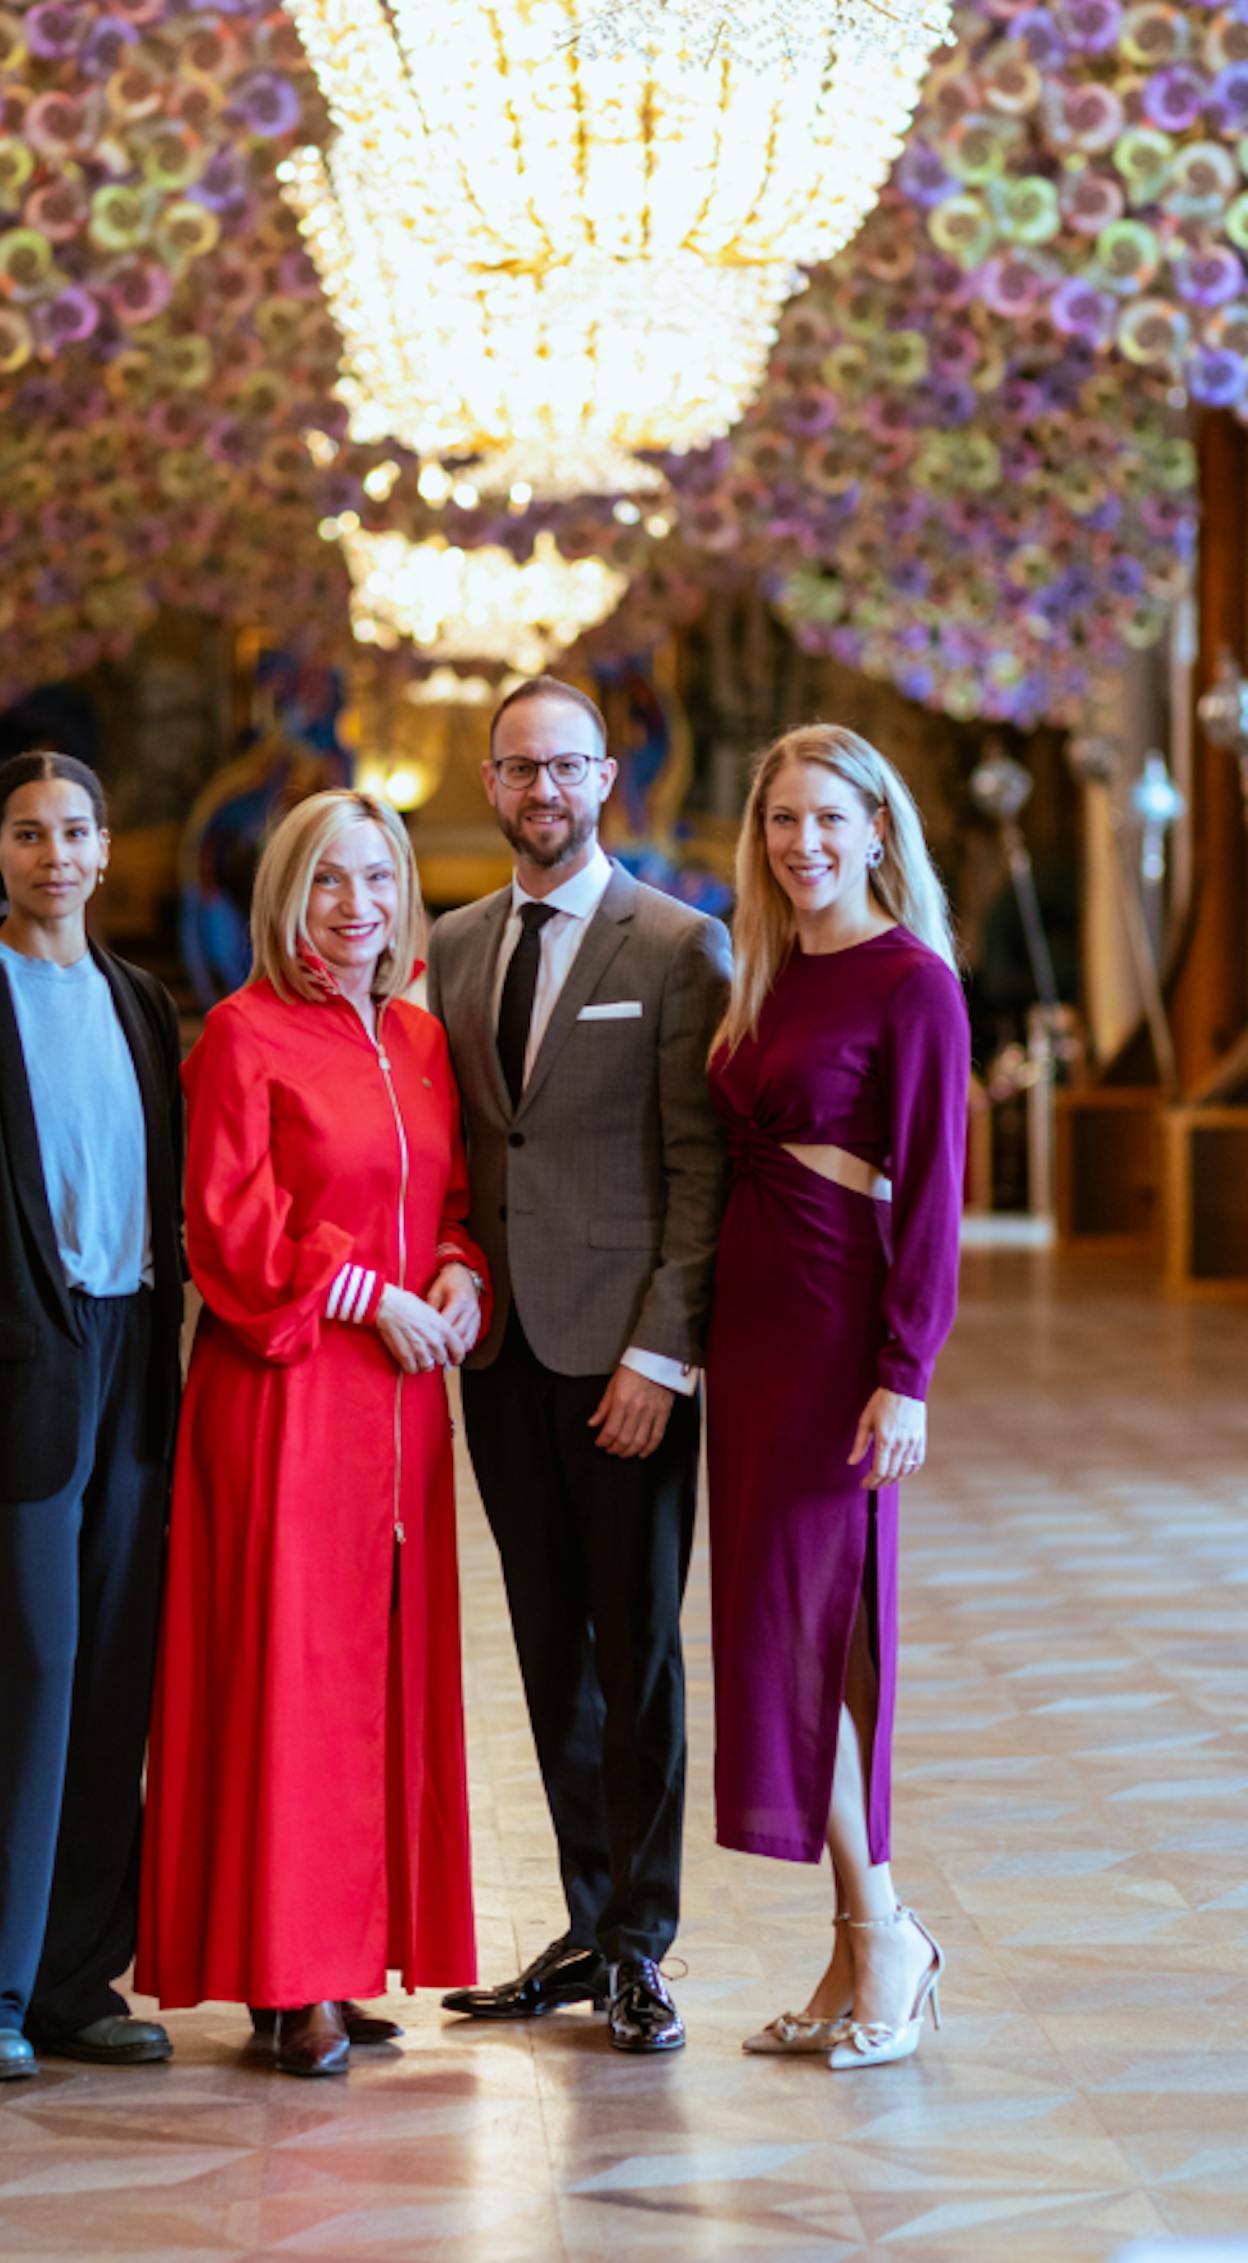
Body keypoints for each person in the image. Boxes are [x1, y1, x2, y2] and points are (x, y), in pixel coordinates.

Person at [138, 789, 488, 2078]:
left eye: (380, 880)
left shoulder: (417, 1037)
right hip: (286, 1395)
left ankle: (347, 1954)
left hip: (401, 1403)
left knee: (380, 1679)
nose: (359, 907)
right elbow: (228, 1234)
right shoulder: (241, 1034)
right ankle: (288, 1986)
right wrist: (374, 1293)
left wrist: (457, 1276)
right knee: (292, 1684)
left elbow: (448, 1198)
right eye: (331, 882)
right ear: (288, 892)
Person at [426, 677, 730, 2054]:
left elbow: (698, 1170)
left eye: (566, 769)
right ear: (490, 785)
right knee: (551, 1651)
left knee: (638, 1654)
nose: (542, 793)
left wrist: (662, 1355)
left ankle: (642, 1948)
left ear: (606, 778)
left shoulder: (680, 946)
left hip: (627, 1367)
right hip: (501, 1364)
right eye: (517, 771)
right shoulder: (449, 949)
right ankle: (584, 1918)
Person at [0, 750, 183, 2083]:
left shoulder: (144, 1004)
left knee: (116, 1677)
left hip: (135, 1371)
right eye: (28, 834)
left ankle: (73, 1980)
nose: (55, 855)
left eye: (77, 832)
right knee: (28, 1675)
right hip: (18, 1379)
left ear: (107, 851)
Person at [705, 723, 969, 2072]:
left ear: (878, 828)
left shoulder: (912, 983)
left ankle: (890, 1936)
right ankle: (850, 1943)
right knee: (774, 1629)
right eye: (779, 821)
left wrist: (905, 1372)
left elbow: (931, 1194)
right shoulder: (759, 970)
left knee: (826, 1628)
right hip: (747, 1336)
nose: (800, 844)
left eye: (827, 819)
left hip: (834, 1336)